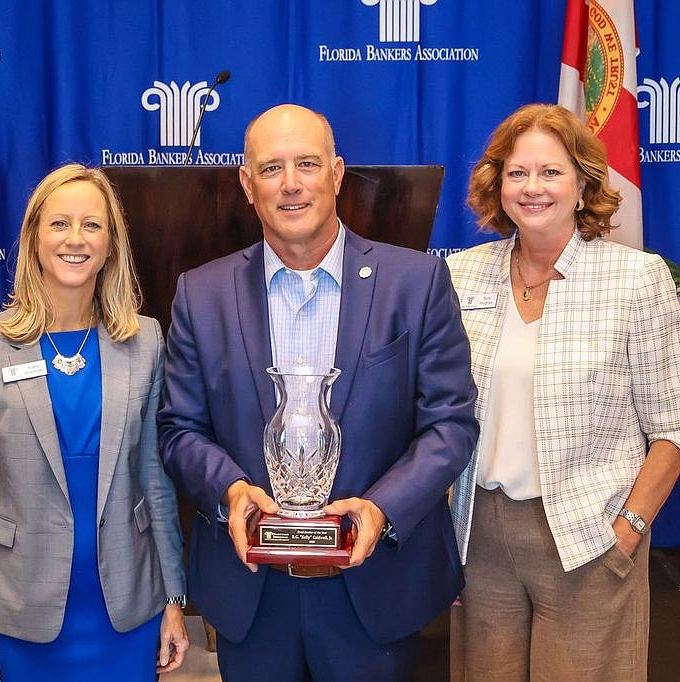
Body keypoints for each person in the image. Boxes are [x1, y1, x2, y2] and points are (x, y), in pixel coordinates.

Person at [158, 103, 479, 681]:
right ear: (246, 184)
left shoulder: (417, 282)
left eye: (306, 164)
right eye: (271, 168)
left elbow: (450, 424)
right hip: (251, 589)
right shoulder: (199, 295)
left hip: (376, 586)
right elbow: (179, 428)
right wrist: (230, 491)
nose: (290, 184)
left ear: (336, 173)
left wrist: (382, 509)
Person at [446, 103, 680, 681]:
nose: (531, 188)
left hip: (590, 538)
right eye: (517, 173)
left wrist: (628, 531)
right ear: (497, 184)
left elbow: (677, 427)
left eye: (550, 172)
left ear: (585, 184)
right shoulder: (460, 276)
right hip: (480, 538)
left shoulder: (635, 279)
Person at [0, 163, 188, 681]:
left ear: (110, 244)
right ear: (33, 237)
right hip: (17, 610)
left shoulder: (145, 341)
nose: (75, 239)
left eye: (91, 225)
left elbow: (156, 482)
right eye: (59, 224)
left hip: (126, 607)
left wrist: (174, 597)